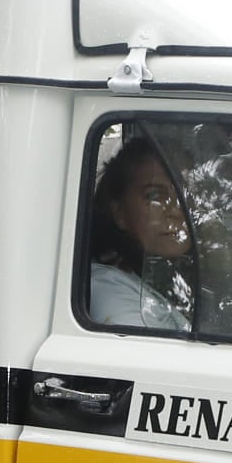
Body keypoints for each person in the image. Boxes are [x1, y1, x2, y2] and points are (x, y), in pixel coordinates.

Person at [86, 135, 193, 331]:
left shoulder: (159, 273)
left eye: (185, 192)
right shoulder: (108, 290)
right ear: (119, 213)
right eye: (154, 196)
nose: (177, 210)